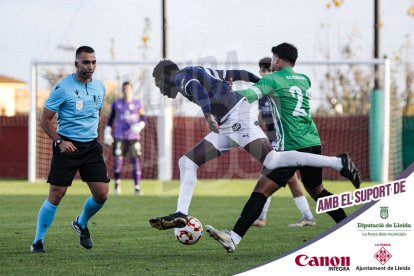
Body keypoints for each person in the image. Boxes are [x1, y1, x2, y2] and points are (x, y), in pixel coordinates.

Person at [148, 58, 360, 231]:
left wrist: (207, 114)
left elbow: (198, 90)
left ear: (166, 76)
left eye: (158, 84)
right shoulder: (199, 69)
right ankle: (181, 213)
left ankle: (338, 162)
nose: (160, 89)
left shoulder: (181, 78)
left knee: (273, 160)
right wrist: (260, 82)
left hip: (234, 117)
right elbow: (237, 74)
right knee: (187, 162)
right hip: (228, 122)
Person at [206, 42, 353, 253]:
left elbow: (248, 94)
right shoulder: (304, 79)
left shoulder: (272, 79)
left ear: (277, 59)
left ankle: (234, 238)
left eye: (273, 58)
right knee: (317, 190)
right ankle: (349, 229)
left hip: (291, 147)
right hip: (313, 141)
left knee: (261, 189)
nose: (271, 61)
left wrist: (220, 100)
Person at [30, 46, 110, 253]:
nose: (90, 66)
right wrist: (59, 142)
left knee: (102, 195)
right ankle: (38, 241)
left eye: (93, 62)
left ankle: (80, 223)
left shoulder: (100, 87)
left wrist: (95, 138)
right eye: (85, 62)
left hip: (91, 147)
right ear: (76, 63)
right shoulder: (62, 88)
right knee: (57, 194)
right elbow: (44, 121)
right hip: (66, 145)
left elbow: (96, 114)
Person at [253, 57, 315, 228]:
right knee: (292, 180)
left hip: (285, 141)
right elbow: (261, 116)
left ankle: (261, 217)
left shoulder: (279, 89)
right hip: (274, 141)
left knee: (266, 177)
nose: (264, 73)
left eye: (267, 69)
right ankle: (307, 216)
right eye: (261, 70)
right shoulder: (262, 94)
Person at [104, 81, 148, 195]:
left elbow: (144, 118)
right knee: (118, 161)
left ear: (131, 90)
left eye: (128, 89)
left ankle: (137, 187)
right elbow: (110, 119)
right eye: (124, 89)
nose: (126, 91)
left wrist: (139, 126)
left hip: (133, 137)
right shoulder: (117, 103)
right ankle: (117, 185)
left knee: (135, 161)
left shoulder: (138, 103)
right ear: (122, 90)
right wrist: (107, 132)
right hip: (120, 136)